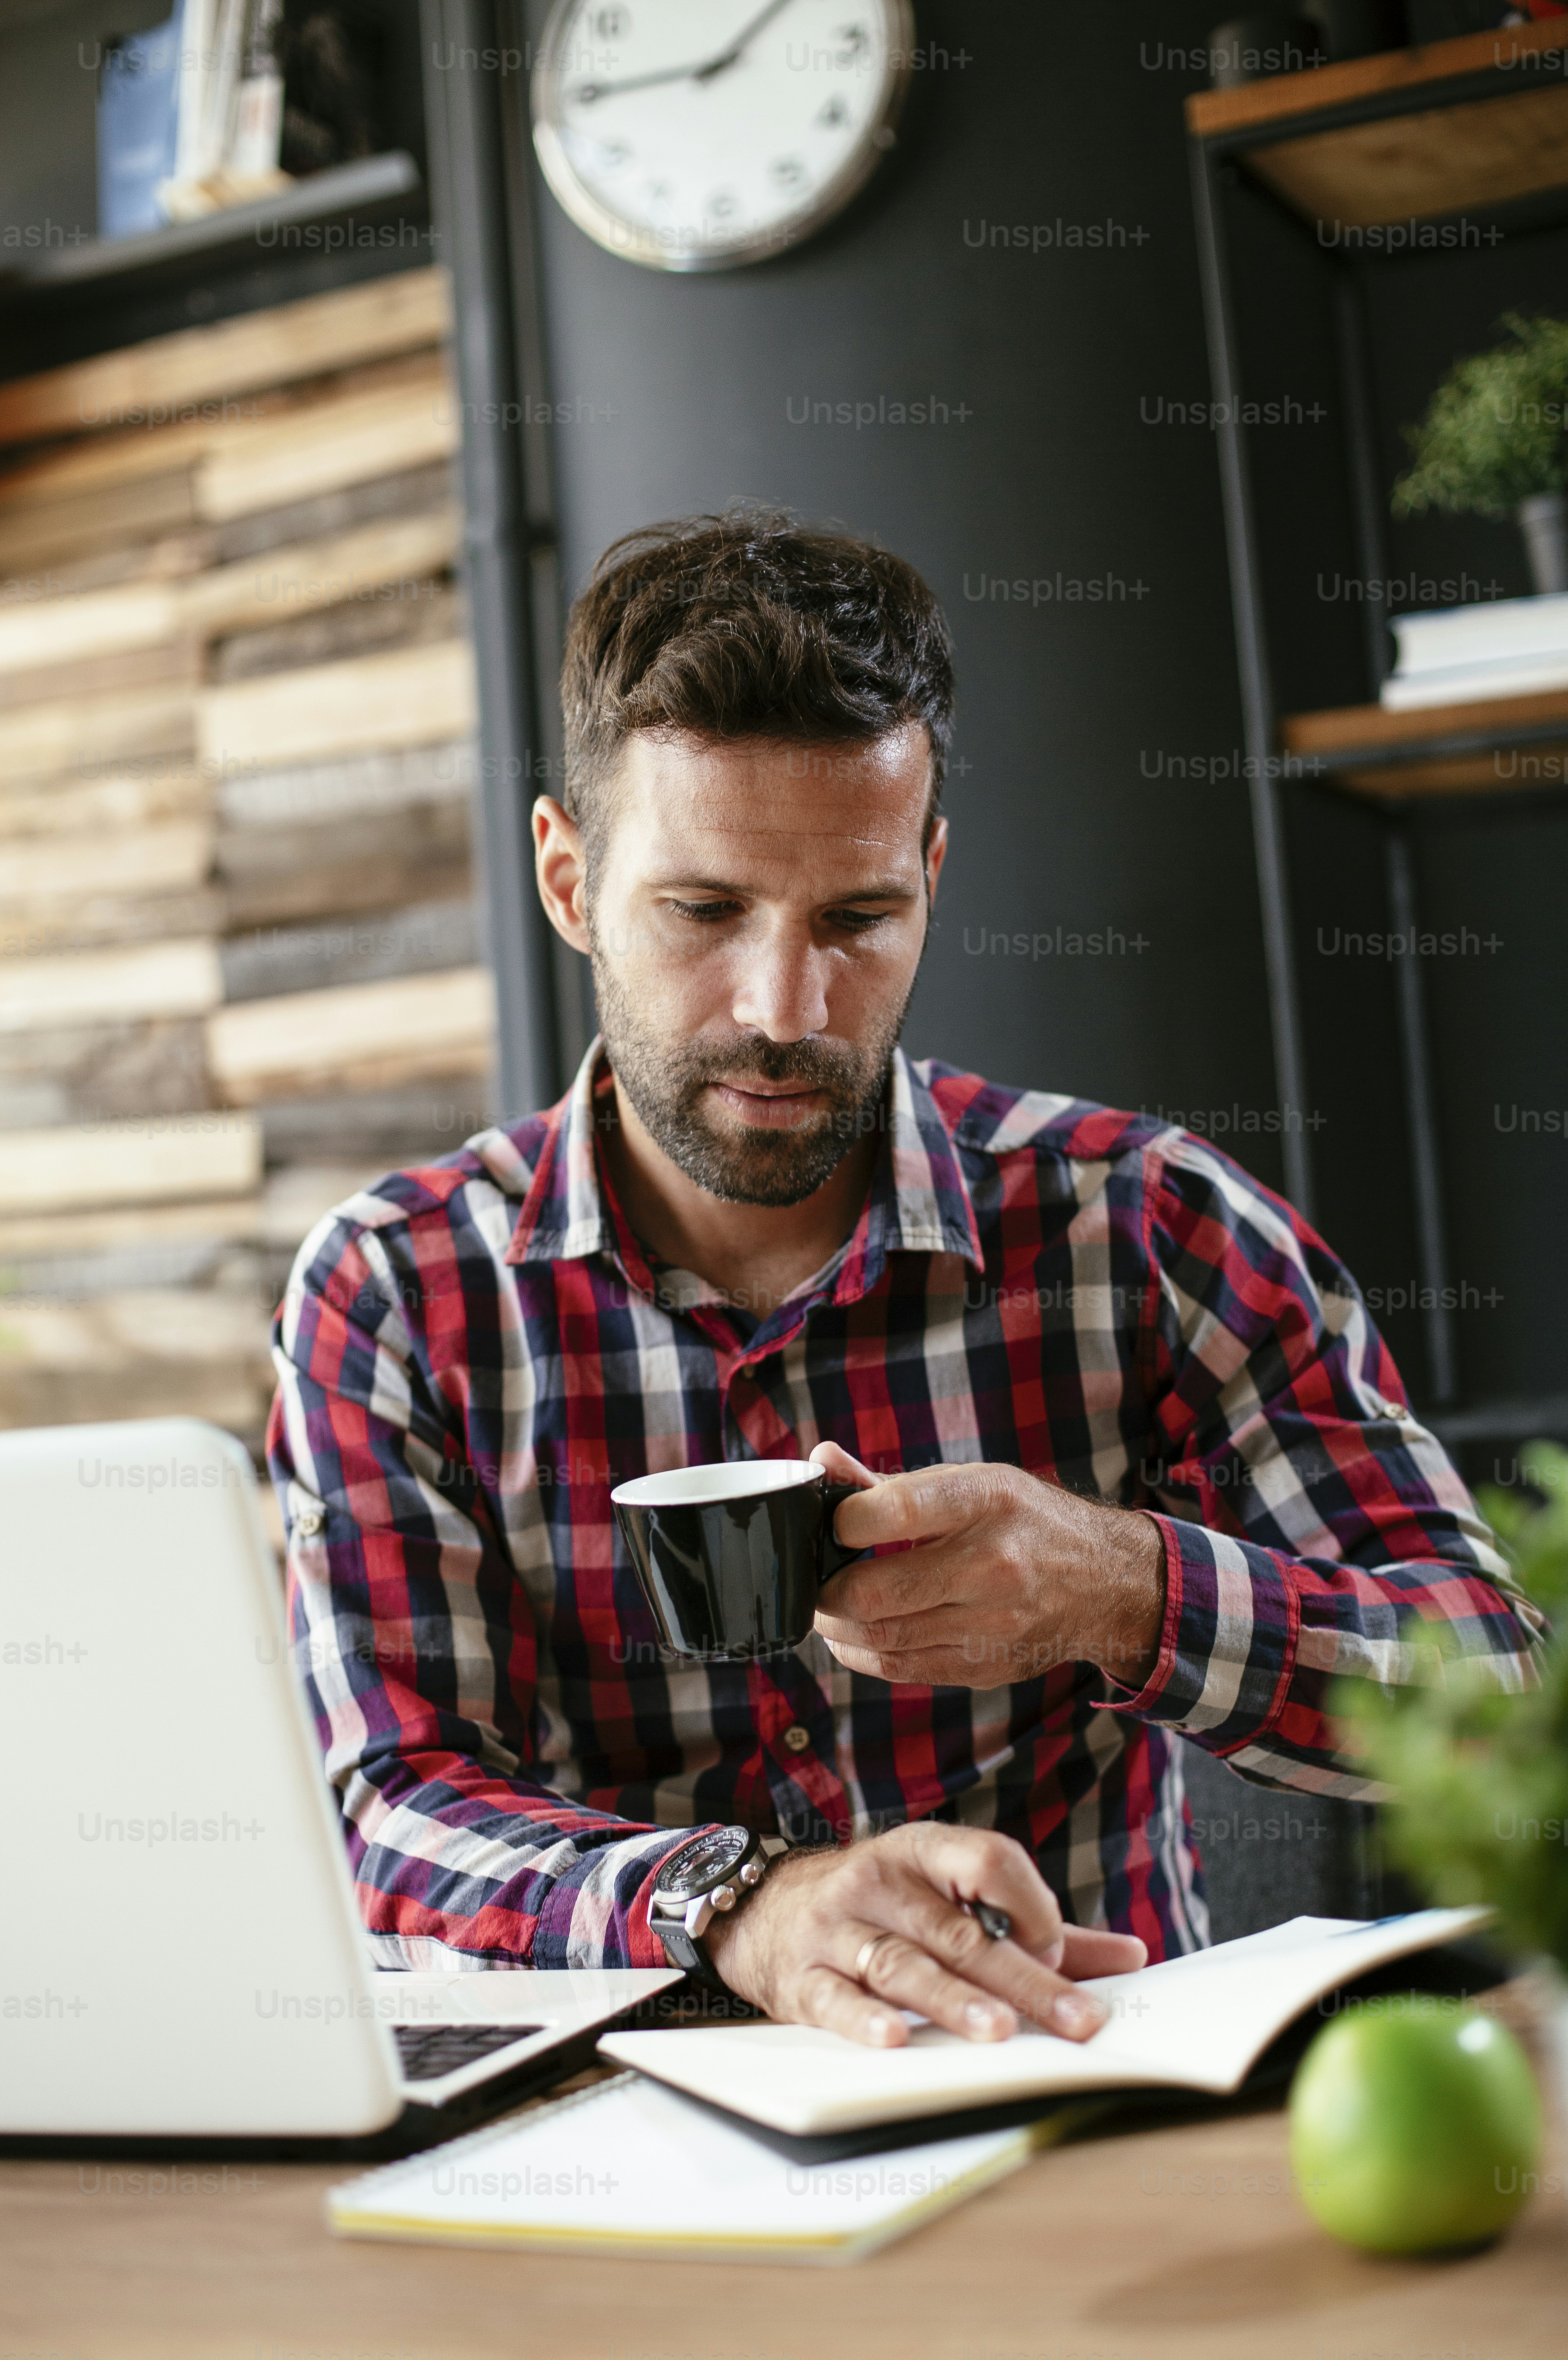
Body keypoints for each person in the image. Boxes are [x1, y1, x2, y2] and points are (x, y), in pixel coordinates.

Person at [268, 511, 1542, 2053]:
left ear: (931, 875)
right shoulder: (394, 1296)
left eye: (859, 919)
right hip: (602, 2152)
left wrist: (1128, 1590)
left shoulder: (1150, 1230)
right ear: (566, 877)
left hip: (1076, 2095)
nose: (784, 1008)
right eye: (703, 911)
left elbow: (1494, 1692)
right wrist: (743, 1904)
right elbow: (385, 1817)